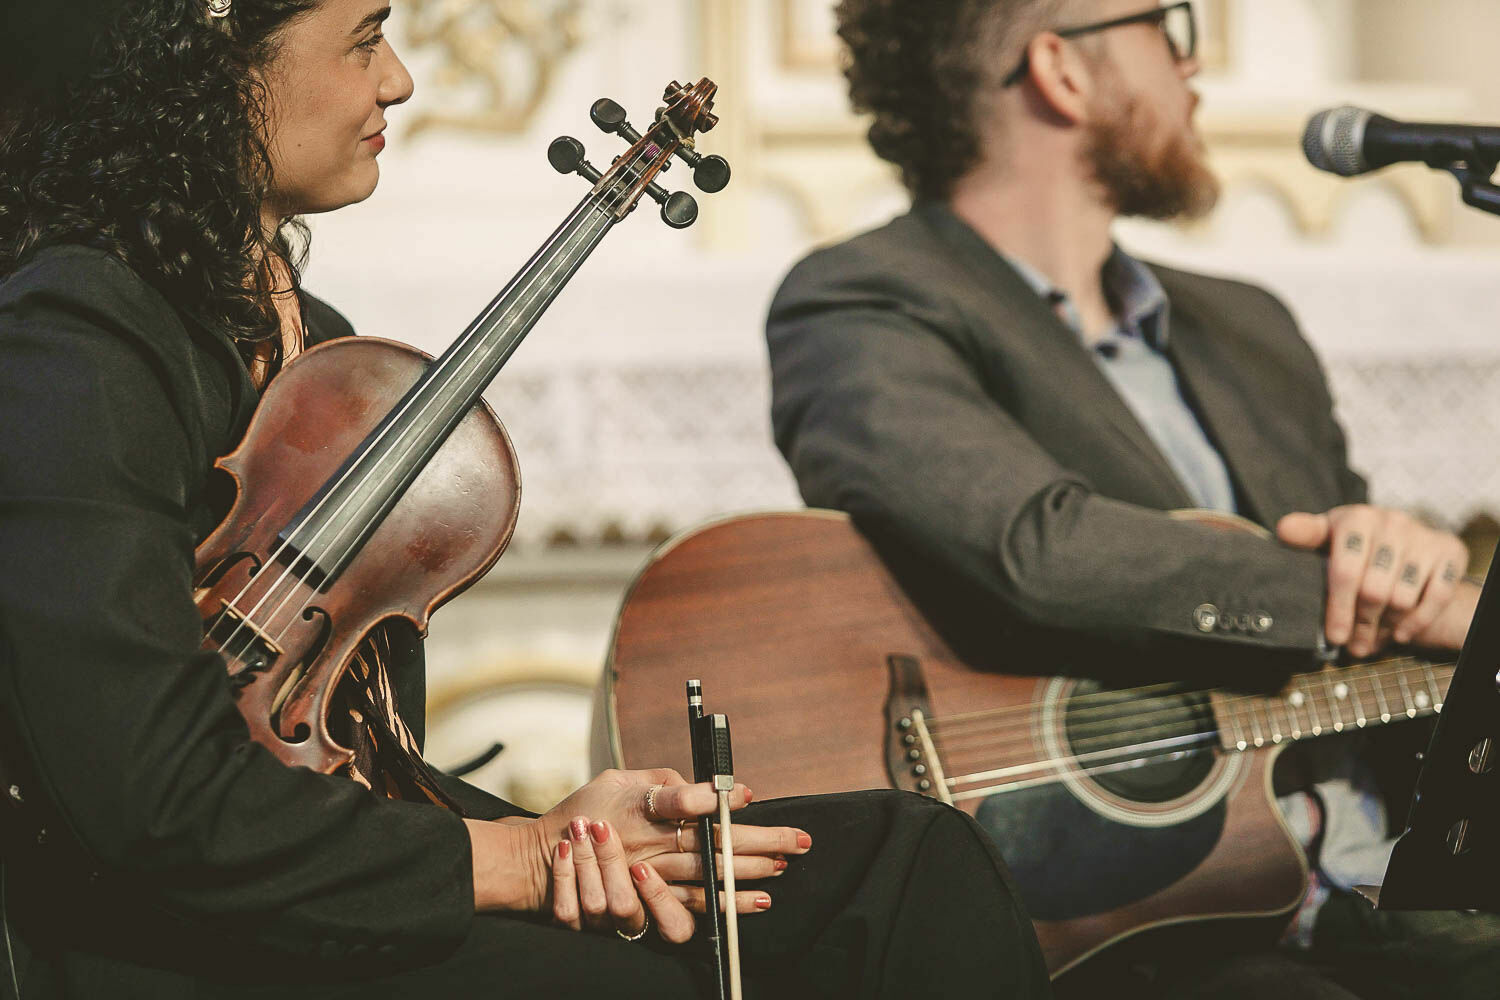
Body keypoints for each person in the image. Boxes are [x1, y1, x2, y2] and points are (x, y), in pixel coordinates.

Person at [0, 1, 1054, 997]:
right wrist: (520, 854)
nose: (400, 80)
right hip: (176, 941)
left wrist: (582, 834)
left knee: (905, 863)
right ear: (216, 73)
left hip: (329, 876)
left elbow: (356, 753)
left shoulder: (318, 341)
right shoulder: (77, 342)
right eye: (364, 39)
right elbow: (148, 795)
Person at [767, 1, 1498, 998]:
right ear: (1062, 70)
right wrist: (1357, 588)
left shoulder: (1251, 327)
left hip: (1405, 888)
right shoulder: (867, 300)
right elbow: (1031, 549)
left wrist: (1401, 563)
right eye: (1169, 25)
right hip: (1157, 927)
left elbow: (1383, 630)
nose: (1195, 68)